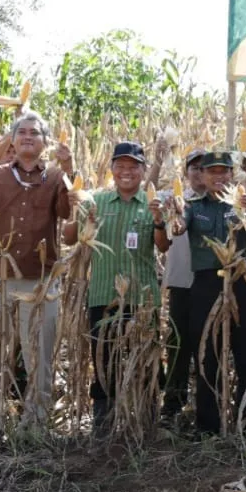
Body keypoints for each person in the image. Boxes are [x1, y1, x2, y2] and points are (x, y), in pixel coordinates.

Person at [0, 109, 75, 434]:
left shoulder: (54, 177)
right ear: (12, 138)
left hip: (41, 279)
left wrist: (69, 169)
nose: (27, 137)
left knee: (39, 353)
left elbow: (68, 211)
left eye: (34, 133)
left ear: (45, 142)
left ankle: (35, 423)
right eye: (21, 132)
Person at [64, 142, 166, 434]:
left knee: (146, 361)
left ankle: (146, 422)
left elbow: (163, 245)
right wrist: (74, 211)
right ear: (111, 169)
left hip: (142, 298)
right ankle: (104, 425)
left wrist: (159, 221)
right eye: (120, 165)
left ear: (144, 171)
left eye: (133, 166)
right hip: (103, 296)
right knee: (105, 363)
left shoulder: (152, 204)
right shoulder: (95, 201)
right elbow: (70, 238)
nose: (126, 171)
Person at [178, 151, 246, 435]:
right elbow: (178, 226)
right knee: (207, 354)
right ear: (201, 176)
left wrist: (245, 209)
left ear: (231, 175)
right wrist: (171, 216)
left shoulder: (241, 202)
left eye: (223, 172)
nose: (218, 177)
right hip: (206, 283)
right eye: (212, 172)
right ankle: (208, 426)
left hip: (242, 280)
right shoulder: (192, 206)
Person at [160, 151, 212, 425]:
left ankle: (207, 403)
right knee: (178, 344)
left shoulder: (220, 201)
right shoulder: (172, 198)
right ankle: (174, 402)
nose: (199, 172)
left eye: (205, 168)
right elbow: (150, 205)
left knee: (207, 345)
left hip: (212, 284)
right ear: (186, 172)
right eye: (194, 167)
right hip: (181, 281)